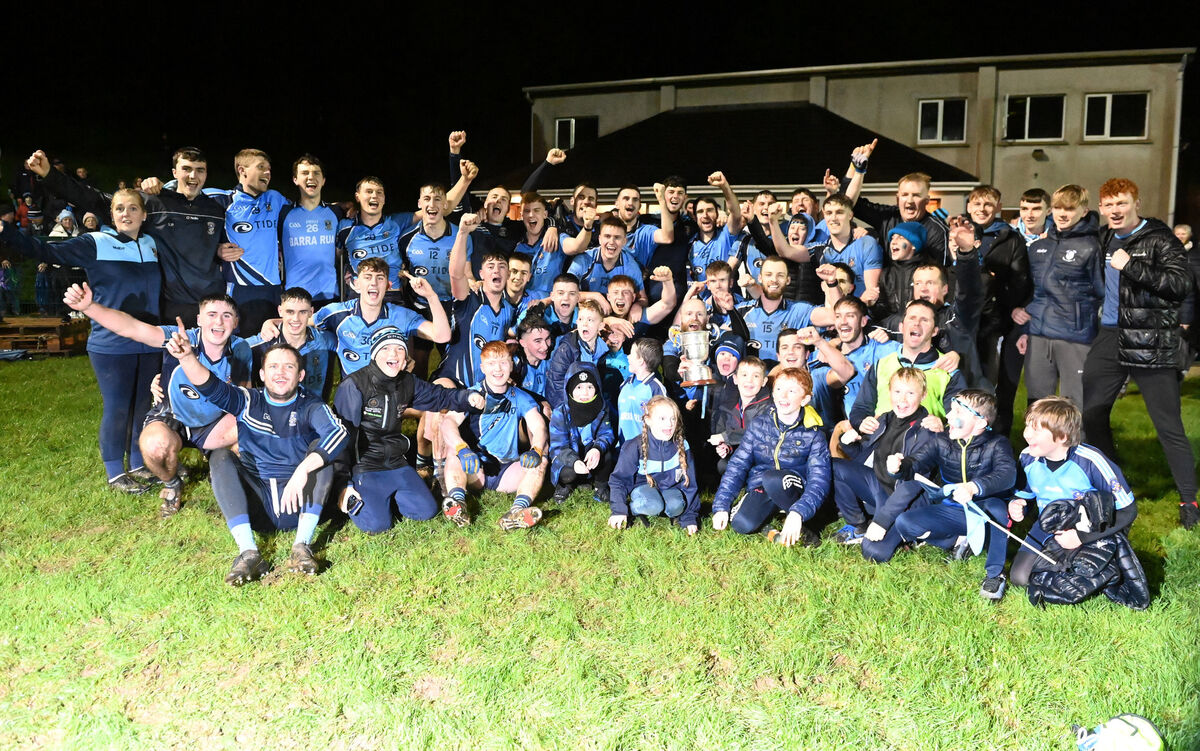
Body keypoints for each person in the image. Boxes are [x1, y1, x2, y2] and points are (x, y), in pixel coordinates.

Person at [1, 189, 161, 492]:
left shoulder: (152, 244)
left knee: (143, 404)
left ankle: (138, 462)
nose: (126, 214)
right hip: (111, 342)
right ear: (111, 214)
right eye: (119, 209)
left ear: (144, 214)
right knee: (117, 407)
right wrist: (6, 231)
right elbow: (46, 250)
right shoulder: (96, 242)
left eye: (133, 208)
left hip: (149, 339)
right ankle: (115, 472)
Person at [165, 332, 349, 585]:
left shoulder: (311, 405)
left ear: (300, 375)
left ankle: (302, 546)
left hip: (299, 503)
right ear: (262, 374)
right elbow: (211, 386)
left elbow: (338, 433)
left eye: (289, 367)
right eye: (273, 366)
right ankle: (249, 553)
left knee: (321, 452)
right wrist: (187, 357)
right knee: (220, 456)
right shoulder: (248, 400)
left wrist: (303, 470)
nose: (280, 372)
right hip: (257, 507)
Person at [62, 283, 249, 516]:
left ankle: (219, 467)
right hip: (173, 417)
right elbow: (132, 328)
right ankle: (172, 483)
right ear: (199, 319)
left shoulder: (242, 349)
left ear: (236, 322)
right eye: (211, 314)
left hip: (214, 423)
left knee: (250, 433)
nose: (218, 322)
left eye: (227, 315)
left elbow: (245, 395)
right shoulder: (178, 338)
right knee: (154, 445)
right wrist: (89, 307)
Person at [1081, 178, 1197, 528]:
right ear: (1101, 208)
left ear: (1137, 204)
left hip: (1150, 341)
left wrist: (1131, 265)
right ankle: (1115, 485)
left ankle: (1189, 500)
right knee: (1092, 415)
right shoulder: (1104, 237)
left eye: (1122, 203)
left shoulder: (1160, 238)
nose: (1115, 210)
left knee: (1168, 425)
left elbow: (1180, 285)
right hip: (1110, 336)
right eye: (1109, 204)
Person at [26, 147, 229, 324]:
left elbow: (225, 243)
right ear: (174, 172)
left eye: (200, 170)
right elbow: (93, 198)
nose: (193, 175)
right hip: (170, 307)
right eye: (186, 169)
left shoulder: (216, 209)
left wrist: (222, 249)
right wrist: (50, 174)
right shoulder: (155, 203)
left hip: (212, 305)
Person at [861, 390, 1017, 600]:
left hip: (983, 512)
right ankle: (956, 540)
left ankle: (995, 574)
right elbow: (917, 462)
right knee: (906, 522)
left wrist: (974, 487)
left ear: (980, 422)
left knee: (998, 509)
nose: (948, 416)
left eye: (958, 412)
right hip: (953, 510)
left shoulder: (997, 444)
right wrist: (899, 467)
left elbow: (1007, 474)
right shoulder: (942, 440)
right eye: (951, 410)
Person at [333, 327, 485, 533]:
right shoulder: (354, 385)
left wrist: (467, 397)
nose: (393, 354)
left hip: (395, 462)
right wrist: (343, 483)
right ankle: (372, 497)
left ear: (405, 357)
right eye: (385, 348)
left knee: (426, 511)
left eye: (399, 349)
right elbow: (340, 439)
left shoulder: (406, 381)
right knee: (377, 525)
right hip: (365, 465)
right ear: (374, 353)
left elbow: (439, 396)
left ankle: (387, 497)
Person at [1008, 397, 1142, 600]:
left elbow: (1128, 511)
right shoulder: (1027, 457)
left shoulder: (1091, 461)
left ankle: (1108, 566)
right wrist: (1018, 505)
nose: (1027, 434)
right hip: (1049, 525)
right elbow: (1024, 495)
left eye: (1036, 430)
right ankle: (1064, 561)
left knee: (1081, 575)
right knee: (1019, 578)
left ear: (1062, 436)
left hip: (1089, 528)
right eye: (1027, 426)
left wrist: (1080, 537)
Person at [711, 367, 831, 546]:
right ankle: (772, 522)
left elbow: (819, 480)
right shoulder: (759, 424)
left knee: (774, 479)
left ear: (805, 399)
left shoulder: (813, 433)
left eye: (792, 391)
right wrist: (721, 506)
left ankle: (800, 521)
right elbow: (738, 464)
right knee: (741, 524)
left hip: (795, 488)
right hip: (763, 484)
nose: (783, 396)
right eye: (779, 389)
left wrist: (799, 512)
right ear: (773, 393)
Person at [440, 341, 549, 530]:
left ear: (511, 365)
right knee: (453, 452)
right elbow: (448, 422)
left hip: (506, 471)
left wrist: (536, 449)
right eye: (491, 364)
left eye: (503, 363)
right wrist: (462, 448)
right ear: (483, 367)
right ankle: (458, 504)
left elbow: (539, 426)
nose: (498, 369)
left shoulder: (520, 396)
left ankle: (516, 512)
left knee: (541, 460)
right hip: (475, 468)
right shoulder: (472, 395)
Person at [831, 367, 941, 544]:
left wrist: (883, 521)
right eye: (897, 392)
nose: (902, 399)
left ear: (923, 395)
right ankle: (857, 525)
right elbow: (864, 458)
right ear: (889, 392)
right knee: (834, 465)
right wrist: (848, 444)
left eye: (910, 393)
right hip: (878, 491)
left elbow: (912, 485)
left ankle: (906, 530)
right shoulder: (885, 419)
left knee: (875, 552)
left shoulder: (928, 429)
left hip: (903, 502)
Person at [1015, 185, 1103, 406]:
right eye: (1058, 208)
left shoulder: (1093, 247)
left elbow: (1103, 293)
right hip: (1038, 334)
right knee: (1037, 403)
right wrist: (1025, 331)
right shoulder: (1038, 247)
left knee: (1074, 405)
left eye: (1070, 208)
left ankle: (1076, 432)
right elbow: (1033, 293)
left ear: (1084, 211)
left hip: (1075, 337)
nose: (1062, 214)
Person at [312, 257, 450, 376]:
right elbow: (302, 325)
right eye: (368, 277)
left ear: (388, 286)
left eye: (380, 278)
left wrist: (431, 296)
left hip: (391, 391)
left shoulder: (401, 316)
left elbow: (442, 336)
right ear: (356, 284)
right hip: (353, 392)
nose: (374, 283)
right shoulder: (336, 313)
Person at [967, 185, 1030, 438]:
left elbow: (1020, 281)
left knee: (994, 387)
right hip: (963, 322)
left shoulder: (1010, 239)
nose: (982, 209)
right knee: (963, 383)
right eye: (977, 204)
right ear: (969, 206)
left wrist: (1003, 305)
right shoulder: (959, 231)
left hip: (995, 323)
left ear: (999, 208)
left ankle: (996, 442)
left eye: (988, 205)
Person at [849, 299, 967, 426]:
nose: (916, 323)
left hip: (925, 438)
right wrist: (862, 423)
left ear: (934, 331)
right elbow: (860, 410)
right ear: (901, 327)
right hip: (881, 437)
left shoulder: (948, 370)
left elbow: (962, 422)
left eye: (924, 320)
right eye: (912, 318)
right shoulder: (880, 365)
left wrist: (942, 427)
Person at [839, 139, 950, 265]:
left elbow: (941, 270)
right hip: (887, 277)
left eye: (916, 195)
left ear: (927, 201)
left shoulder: (937, 229)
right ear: (898, 198)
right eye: (905, 195)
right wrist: (855, 167)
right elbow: (848, 203)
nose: (909, 200)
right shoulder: (888, 216)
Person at [608, 396, 699, 534]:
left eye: (673, 418)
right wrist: (619, 510)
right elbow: (619, 480)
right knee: (653, 504)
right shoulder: (634, 446)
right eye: (662, 418)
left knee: (676, 506)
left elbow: (690, 483)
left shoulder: (682, 445)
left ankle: (662, 507)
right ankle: (633, 509)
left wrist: (689, 518)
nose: (669, 424)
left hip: (669, 488)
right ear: (648, 420)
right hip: (644, 487)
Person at [548, 362, 617, 504]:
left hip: (589, 455)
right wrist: (574, 461)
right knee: (568, 473)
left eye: (590, 387)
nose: (585, 393)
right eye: (578, 387)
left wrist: (597, 449)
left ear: (597, 388)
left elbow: (607, 434)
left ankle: (601, 487)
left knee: (607, 455)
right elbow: (558, 447)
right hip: (569, 457)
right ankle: (565, 486)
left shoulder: (602, 407)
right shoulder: (560, 412)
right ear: (569, 389)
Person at [250, 288, 338, 399]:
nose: (296, 318)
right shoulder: (259, 345)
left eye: (302, 312)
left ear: (311, 312)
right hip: (272, 409)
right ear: (280, 311)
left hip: (315, 407)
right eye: (290, 312)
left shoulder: (327, 341)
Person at [281, 155, 342, 308]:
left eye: (316, 173)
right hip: (295, 297)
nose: (311, 177)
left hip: (329, 295)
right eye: (305, 173)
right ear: (295, 179)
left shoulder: (337, 213)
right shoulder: (283, 214)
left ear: (323, 180)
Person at [708, 356, 771, 474]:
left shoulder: (768, 406)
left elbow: (758, 433)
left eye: (756, 376)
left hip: (765, 458)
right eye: (744, 375)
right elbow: (727, 430)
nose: (749, 380)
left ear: (764, 381)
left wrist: (725, 437)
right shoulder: (730, 405)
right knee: (723, 465)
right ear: (735, 379)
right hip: (743, 456)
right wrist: (727, 447)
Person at [616, 338, 669, 444]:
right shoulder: (626, 384)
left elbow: (665, 423)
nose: (628, 357)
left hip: (645, 450)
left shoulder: (656, 389)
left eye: (631, 354)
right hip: (623, 448)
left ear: (641, 361)